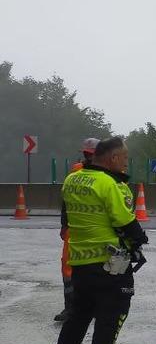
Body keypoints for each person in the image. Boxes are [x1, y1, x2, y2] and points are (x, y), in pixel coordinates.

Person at [46, 137, 148, 344]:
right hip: (109, 265)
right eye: (124, 159)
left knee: (77, 318)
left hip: (80, 263)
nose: (126, 164)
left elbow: (68, 215)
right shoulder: (110, 184)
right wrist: (139, 239)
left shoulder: (72, 180)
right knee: (110, 319)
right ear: (113, 158)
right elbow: (124, 221)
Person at [54, 138, 100, 322]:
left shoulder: (108, 175)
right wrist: (64, 225)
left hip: (95, 228)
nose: (88, 157)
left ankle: (91, 305)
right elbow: (66, 200)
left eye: (90, 154)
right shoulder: (76, 172)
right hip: (74, 229)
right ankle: (71, 307)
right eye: (86, 154)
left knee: (96, 267)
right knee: (68, 268)